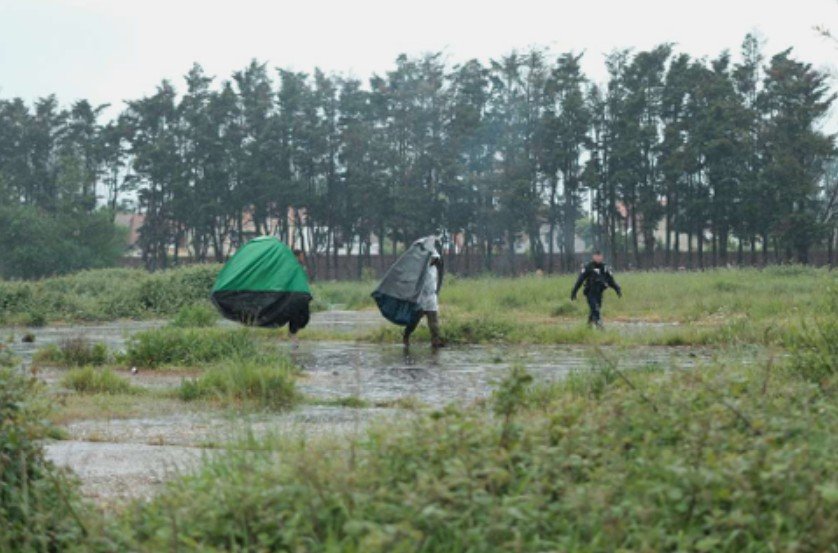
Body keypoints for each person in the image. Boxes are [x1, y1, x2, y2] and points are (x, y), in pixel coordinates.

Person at [570, 250, 622, 329]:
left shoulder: (604, 267)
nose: (598, 258)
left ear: (602, 257)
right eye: (596, 256)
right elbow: (580, 280)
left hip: (599, 292)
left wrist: (617, 289)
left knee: (594, 310)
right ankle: (600, 326)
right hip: (590, 292)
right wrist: (574, 291)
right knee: (595, 309)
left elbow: (610, 280)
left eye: (599, 256)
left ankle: (588, 326)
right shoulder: (588, 267)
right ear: (593, 257)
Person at [403, 252, 444, 349]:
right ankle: (406, 336)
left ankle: (435, 340)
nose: (434, 260)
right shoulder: (421, 268)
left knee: (434, 322)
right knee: (414, 320)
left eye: (435, 259)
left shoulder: (435, 269)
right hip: (421, 297)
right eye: (433, 258)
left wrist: (436, 292)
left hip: (431, 297)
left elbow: (437, 281)